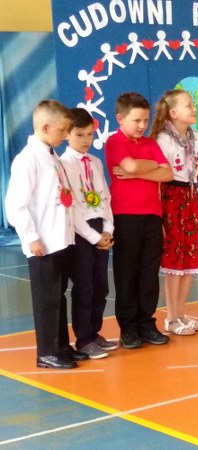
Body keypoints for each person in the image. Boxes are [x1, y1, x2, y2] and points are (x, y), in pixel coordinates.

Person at [5, 101, 79, 369]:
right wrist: (30, 237)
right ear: (45, 127)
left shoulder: (51, 155)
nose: (65, 135)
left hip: (60, 238)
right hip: (43, 242)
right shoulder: (28, 159)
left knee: (58, 295)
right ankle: (47, 352)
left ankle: (61, 346)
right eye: (62, 130)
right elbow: (15, 204)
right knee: (46, 299)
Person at [106, 92, 174, 349]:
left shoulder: (150, 143)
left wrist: (137, 171)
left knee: (149, 274)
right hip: (125, 217)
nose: (142, 125)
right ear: (120, 118)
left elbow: (167, 174)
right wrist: (148, 167)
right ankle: (128, 328)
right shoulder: (114, 142)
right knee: (127, 273)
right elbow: (131, 166)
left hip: (152, 216)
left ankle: (146, 323)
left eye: (145, 120)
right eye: (136, 120)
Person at [150, 90, 198, 336]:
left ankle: (182, 313)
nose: (194, 109)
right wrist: (159, 217)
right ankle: (171, 317)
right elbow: (157, 181)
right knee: (173, 263)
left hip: (191, 199)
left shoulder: (197, 138)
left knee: (190, 260)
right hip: (170, 200)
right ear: (173, 113)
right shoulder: (163, 140)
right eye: (188, 105)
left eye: (193, 105)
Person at [60, 108, 115, 359]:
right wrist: (93, 237)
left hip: (100, 228)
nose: (85, 140)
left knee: (101, 286)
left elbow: (105, 198)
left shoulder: (95, 162)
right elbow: (70, 208)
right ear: (67, 134)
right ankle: (84, 340)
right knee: (84, 287)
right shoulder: (63, 165)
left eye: (90, 134)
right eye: (79, 134)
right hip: (80, 232)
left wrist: (108, 229)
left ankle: (94, 333)